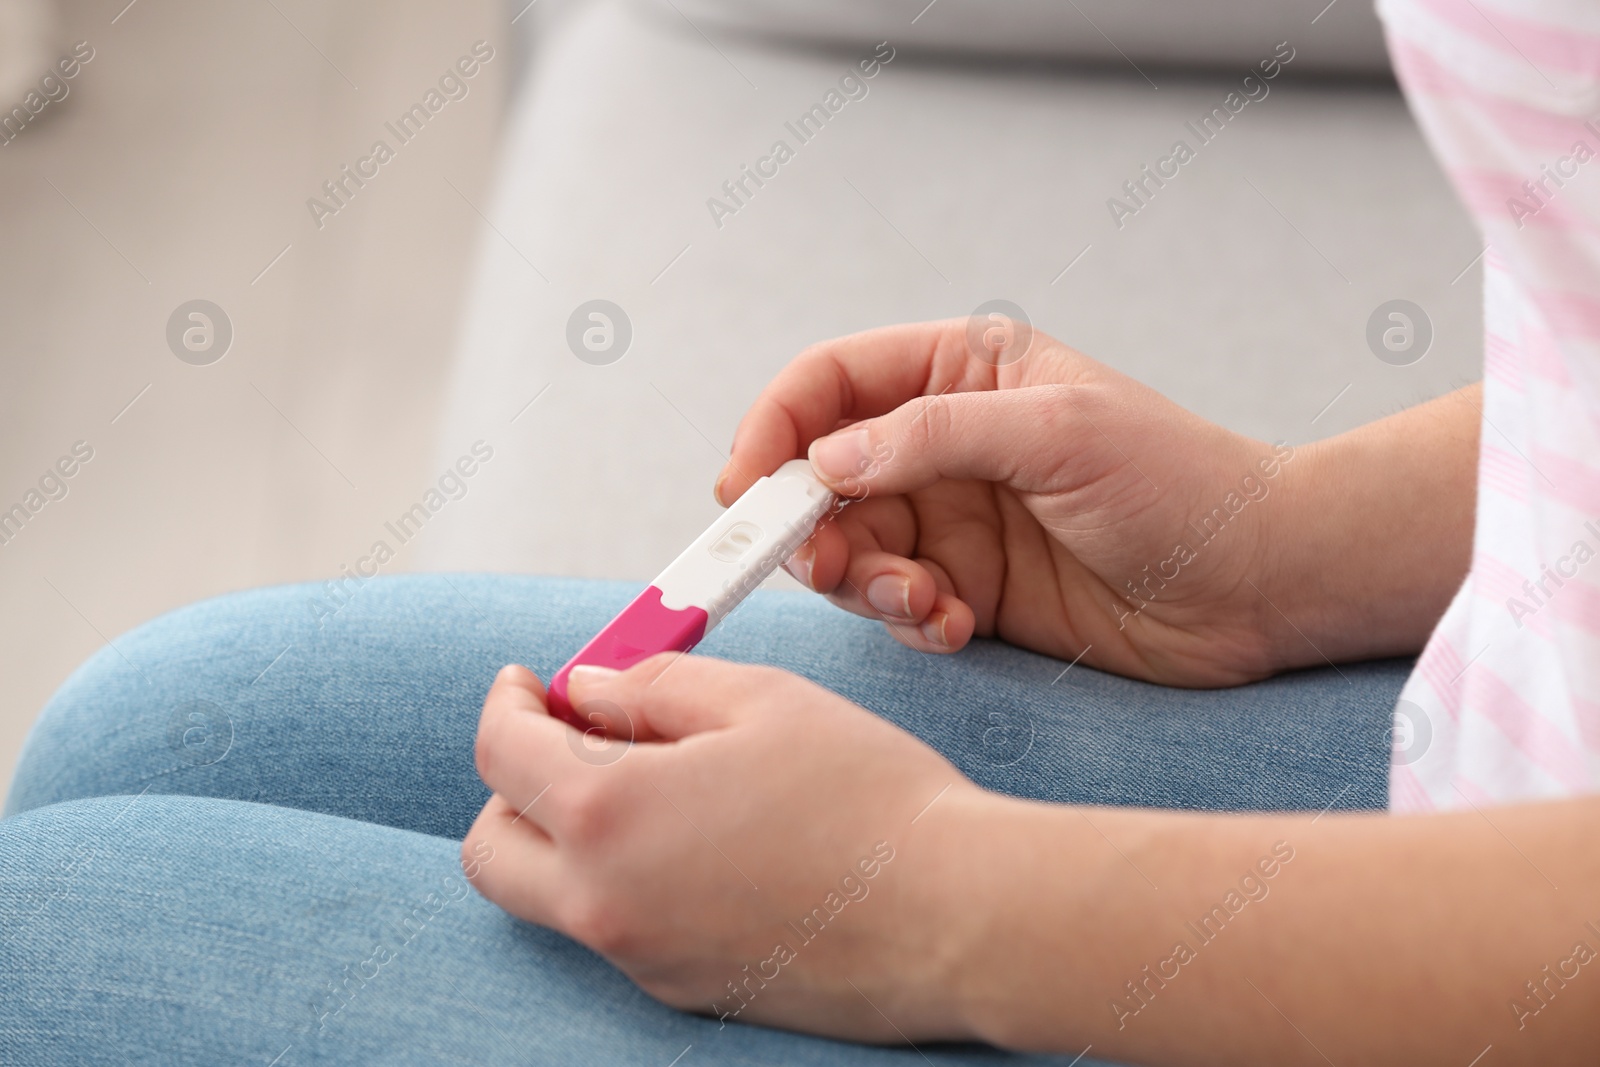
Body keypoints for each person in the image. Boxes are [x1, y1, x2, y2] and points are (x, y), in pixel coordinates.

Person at [3, 0, 1598, 1063]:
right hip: (1509, 746)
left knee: (42, 949)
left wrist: (927, 904)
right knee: (158, 723)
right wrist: (1281, 542)